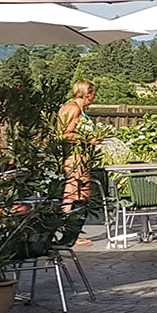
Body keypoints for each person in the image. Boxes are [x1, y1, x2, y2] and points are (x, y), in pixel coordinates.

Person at [58, 80, 97, 240]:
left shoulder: (79, 109)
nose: (94, 97)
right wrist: (88, 139)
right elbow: (64, 134)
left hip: (82, 156)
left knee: (82, 194)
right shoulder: (72, 109)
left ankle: (74, 232)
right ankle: (67, 234)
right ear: (87, 93)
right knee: (73, 193)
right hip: (74, 157)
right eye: (93, 93)